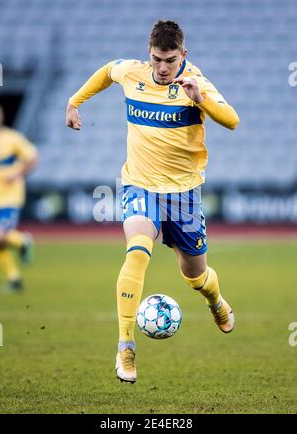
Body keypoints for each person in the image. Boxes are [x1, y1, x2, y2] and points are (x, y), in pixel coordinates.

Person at [66, 20, 239, 384]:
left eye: (170, 60)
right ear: (149, 54)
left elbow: (233, 121)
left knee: (195, 275)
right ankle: (125, 347)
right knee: (137, 252)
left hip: (184, 194)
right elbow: (106, 72)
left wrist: (200, 99)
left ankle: (215, 301)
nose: (163, 68)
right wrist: (74, 102)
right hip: (139, 186)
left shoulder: (197, 84)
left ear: (183, 55)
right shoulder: (134, 73)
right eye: (158, 59)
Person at [0, 104, 38, 292]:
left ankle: (23, 241)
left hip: (9, 198)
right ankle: (14, 279)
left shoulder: (12, 138)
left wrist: (18, 174)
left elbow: (33, 158)